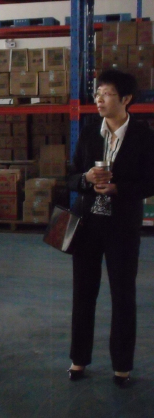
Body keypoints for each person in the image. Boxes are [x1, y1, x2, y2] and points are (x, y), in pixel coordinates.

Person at [67, 69, 154, 387]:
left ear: (126, 99)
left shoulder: (144, 136)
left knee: (123, 295)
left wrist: (119, 189)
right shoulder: (90, 132)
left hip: (122, 227)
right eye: (97, 93)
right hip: (88, 225)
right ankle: (78, 359)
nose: (99, 100)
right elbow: (71, 175)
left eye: (106, 94)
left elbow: (150, 181)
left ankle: (122, 366)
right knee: (83, 294)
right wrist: (86, 179)